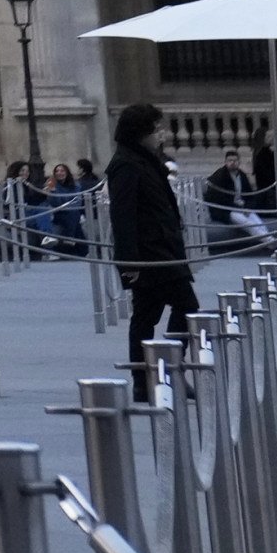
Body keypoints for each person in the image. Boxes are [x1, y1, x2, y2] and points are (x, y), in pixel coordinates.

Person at [107, 101, 197, 398]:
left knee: (146, 316)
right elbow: (123, 217)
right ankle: (164, 371)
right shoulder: (125, 164)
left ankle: (147, 380)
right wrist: (129, 263)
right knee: (186, 307)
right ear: (141, 132)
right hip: (151, 255)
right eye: (157, 128)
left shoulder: (146, 158)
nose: (162, 134)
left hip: (163, 250)